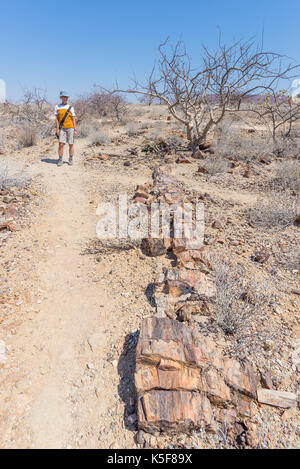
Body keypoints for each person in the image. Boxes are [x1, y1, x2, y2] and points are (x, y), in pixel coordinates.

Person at [55, 91, 77, 166]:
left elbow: (73, 119)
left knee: (71, 144)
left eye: (66, 97)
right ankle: (60, 159)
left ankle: (70, 159)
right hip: (62, 128)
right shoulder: (57, 107)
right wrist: (57, 129)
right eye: (64, 97)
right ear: (61, 98)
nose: (65, 98)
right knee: (61, 144)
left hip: (70, 128)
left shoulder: (71, 108)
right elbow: (57, 119)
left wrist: (75, 129)